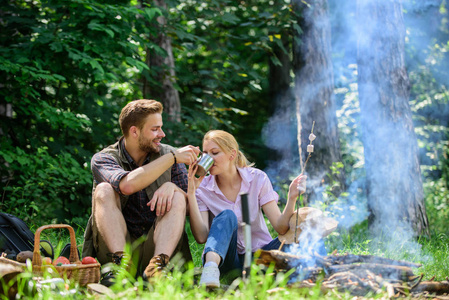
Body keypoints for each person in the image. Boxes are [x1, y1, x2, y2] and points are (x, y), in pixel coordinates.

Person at [82, 99, 201, 285]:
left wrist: (173, 188)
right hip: (116, 248)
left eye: (160, 128)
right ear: (134, 131)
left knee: (178, 195)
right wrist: (172, 158)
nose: (162, 134)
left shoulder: (169, 155)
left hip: (157, 247)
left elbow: (187, 206)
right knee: (103, 190)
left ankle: (157, 270)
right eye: (155, 129)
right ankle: (120, 270)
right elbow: (127, 185)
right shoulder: (103, 158)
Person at [187, 130, 326, 288]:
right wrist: (191, 192)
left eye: (214, 153)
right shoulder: (203, 188)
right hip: (227, 261)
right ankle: (210, 271)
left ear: (232, 155)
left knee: (304, 235)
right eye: (205, 154)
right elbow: (201, 236)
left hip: (260, 257)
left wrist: (292, 197)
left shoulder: (257, 178)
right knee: (227, 216)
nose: (208, 159)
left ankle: (322, 269)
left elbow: (280, 227)